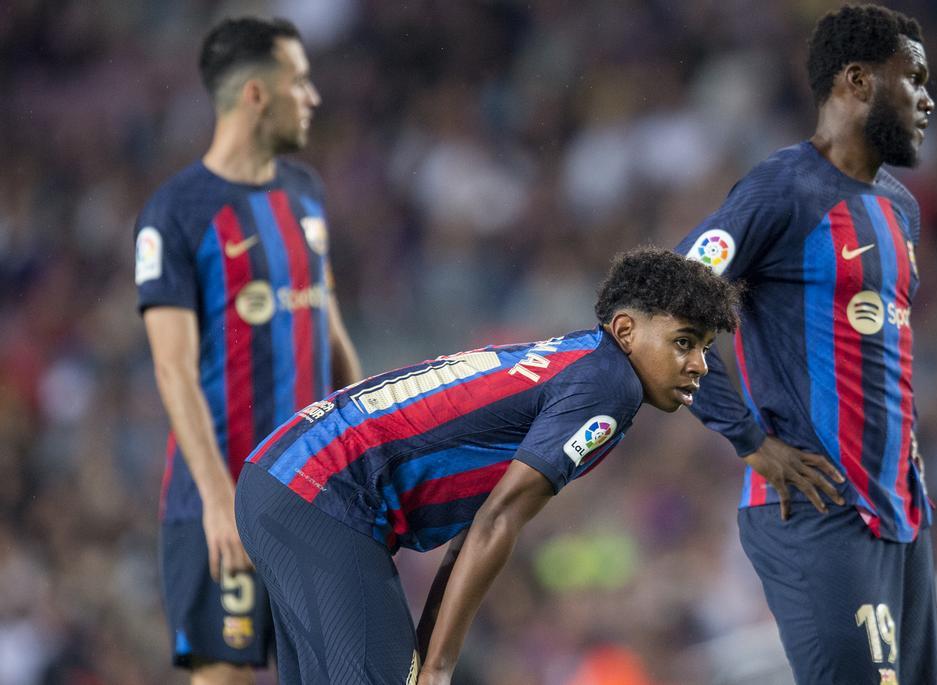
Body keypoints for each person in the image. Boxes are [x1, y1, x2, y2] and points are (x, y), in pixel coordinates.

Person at [233, 248, 742, 685]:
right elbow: (499, 518)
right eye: (683, 341)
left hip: (288, 479)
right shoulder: (611, 388)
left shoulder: (581, 362)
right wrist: (437, 668)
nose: (698, 362)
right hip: (322, 493)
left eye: (704, 347)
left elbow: (478, 522)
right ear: (626, 330)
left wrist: (432, 650)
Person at [674, 5, 937, 683]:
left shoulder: (900, 207)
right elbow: (662, 302)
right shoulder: (783, 190)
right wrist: (747, 438)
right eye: (912, 78)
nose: (928, 98)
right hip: (816, 508)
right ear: (856, 81)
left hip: (904, 514)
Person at [136, 16, 361, 684]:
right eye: (299, 80)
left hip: (313, 495)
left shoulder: (306, 193)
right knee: (225, 677)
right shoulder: (176, 211)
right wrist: (215, 498)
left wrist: (369, 450)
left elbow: (331, 331)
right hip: (220, 497)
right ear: (257, 94)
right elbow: (172, 368)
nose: (312, 96)